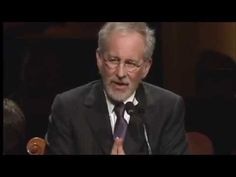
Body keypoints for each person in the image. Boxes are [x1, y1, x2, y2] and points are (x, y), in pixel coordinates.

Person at [46, 22, 189, 155]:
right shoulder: (68, 107)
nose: (120, 73)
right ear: (99, 60)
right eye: (113, 60)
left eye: (130, 63)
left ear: (146, 67)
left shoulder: (168, 107)